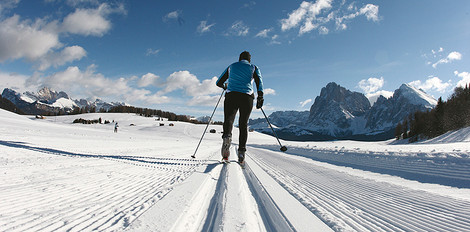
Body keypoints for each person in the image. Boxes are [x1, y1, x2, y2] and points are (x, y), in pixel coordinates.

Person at [216, 51, 264, 163]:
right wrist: (260, 97)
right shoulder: (253, 67)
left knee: (228, 120)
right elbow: (259, 82)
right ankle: (241, 152)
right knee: (243, 124)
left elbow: (218, 82)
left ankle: (227, 137)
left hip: (231, 95)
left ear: (239, 58)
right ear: (249, 59)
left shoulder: (232, 66)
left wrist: (225, 86)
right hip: (247, 97)